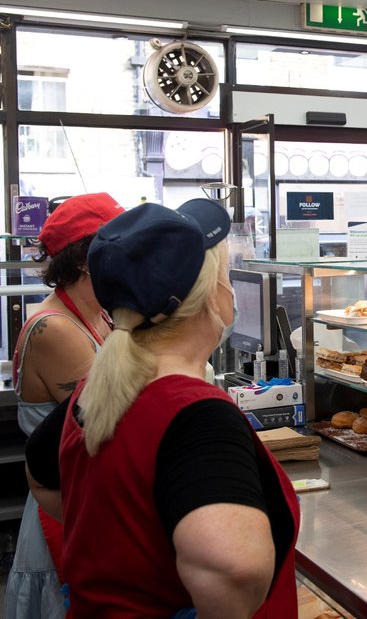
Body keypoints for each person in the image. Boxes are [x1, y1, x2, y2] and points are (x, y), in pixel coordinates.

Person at [24, 200, 299, 617]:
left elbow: (41, 476)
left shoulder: (99, 388)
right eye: (224, 274)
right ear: (207, 296)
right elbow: (234, 570)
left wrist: (139, 539)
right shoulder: (196, 416)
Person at [5, 193, 123, 619]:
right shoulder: (55, 328)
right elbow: (117, 414)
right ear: (89, 259)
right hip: (66, 501)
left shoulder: (101, 315)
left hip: (91, 492)